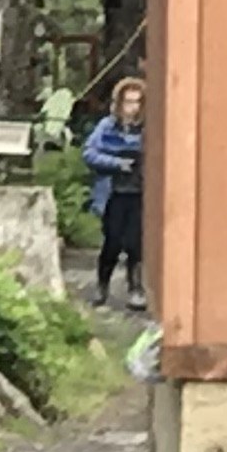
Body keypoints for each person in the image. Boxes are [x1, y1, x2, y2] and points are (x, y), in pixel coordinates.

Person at [81, 80, 146, 315]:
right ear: (119, 103)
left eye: (138, 102)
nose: (133, 108)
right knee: (112, 242)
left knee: (135, 244)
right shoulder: (107, 127)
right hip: (113, 194)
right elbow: (89, 153)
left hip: (140, 194)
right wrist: (117, 163)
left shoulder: (149, 129)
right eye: (128, 102)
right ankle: (102, 287)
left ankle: (136, 288)